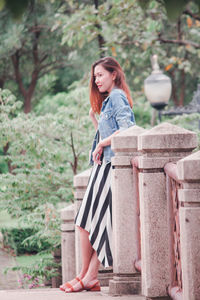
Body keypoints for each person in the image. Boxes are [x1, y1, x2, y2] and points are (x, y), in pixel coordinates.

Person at [60, 56, 135, 293]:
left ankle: (86, 276)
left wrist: (102, 142)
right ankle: (85, 276)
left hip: (110, 170)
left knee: (89, 224)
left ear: (114, 74)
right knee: (86, 223)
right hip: (102, 168)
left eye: (101, 75)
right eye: (95, 77)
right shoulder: (108, 100)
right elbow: (109, 136)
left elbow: (128, 130)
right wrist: (96, 121)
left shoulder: (117, 97)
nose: (97, 80)